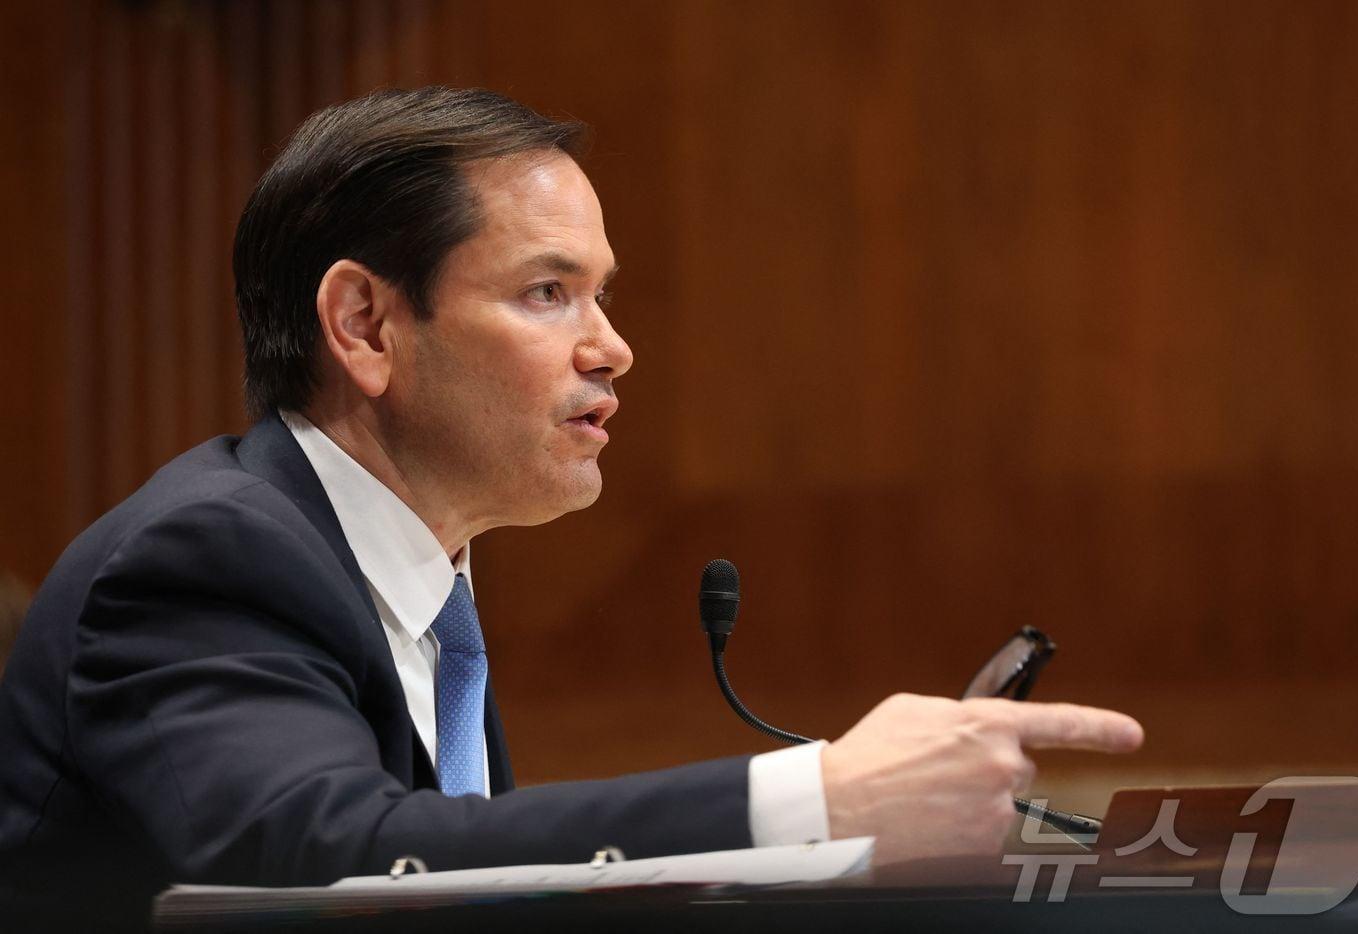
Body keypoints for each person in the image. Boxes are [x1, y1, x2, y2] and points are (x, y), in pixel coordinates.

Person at [0, 87, 1142, 928]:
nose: (614, 348)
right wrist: (815, 796)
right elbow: (329, 861)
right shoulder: (209, 554)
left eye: (601, 295)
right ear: (364, 326)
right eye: (548, 293)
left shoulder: (408, 572)